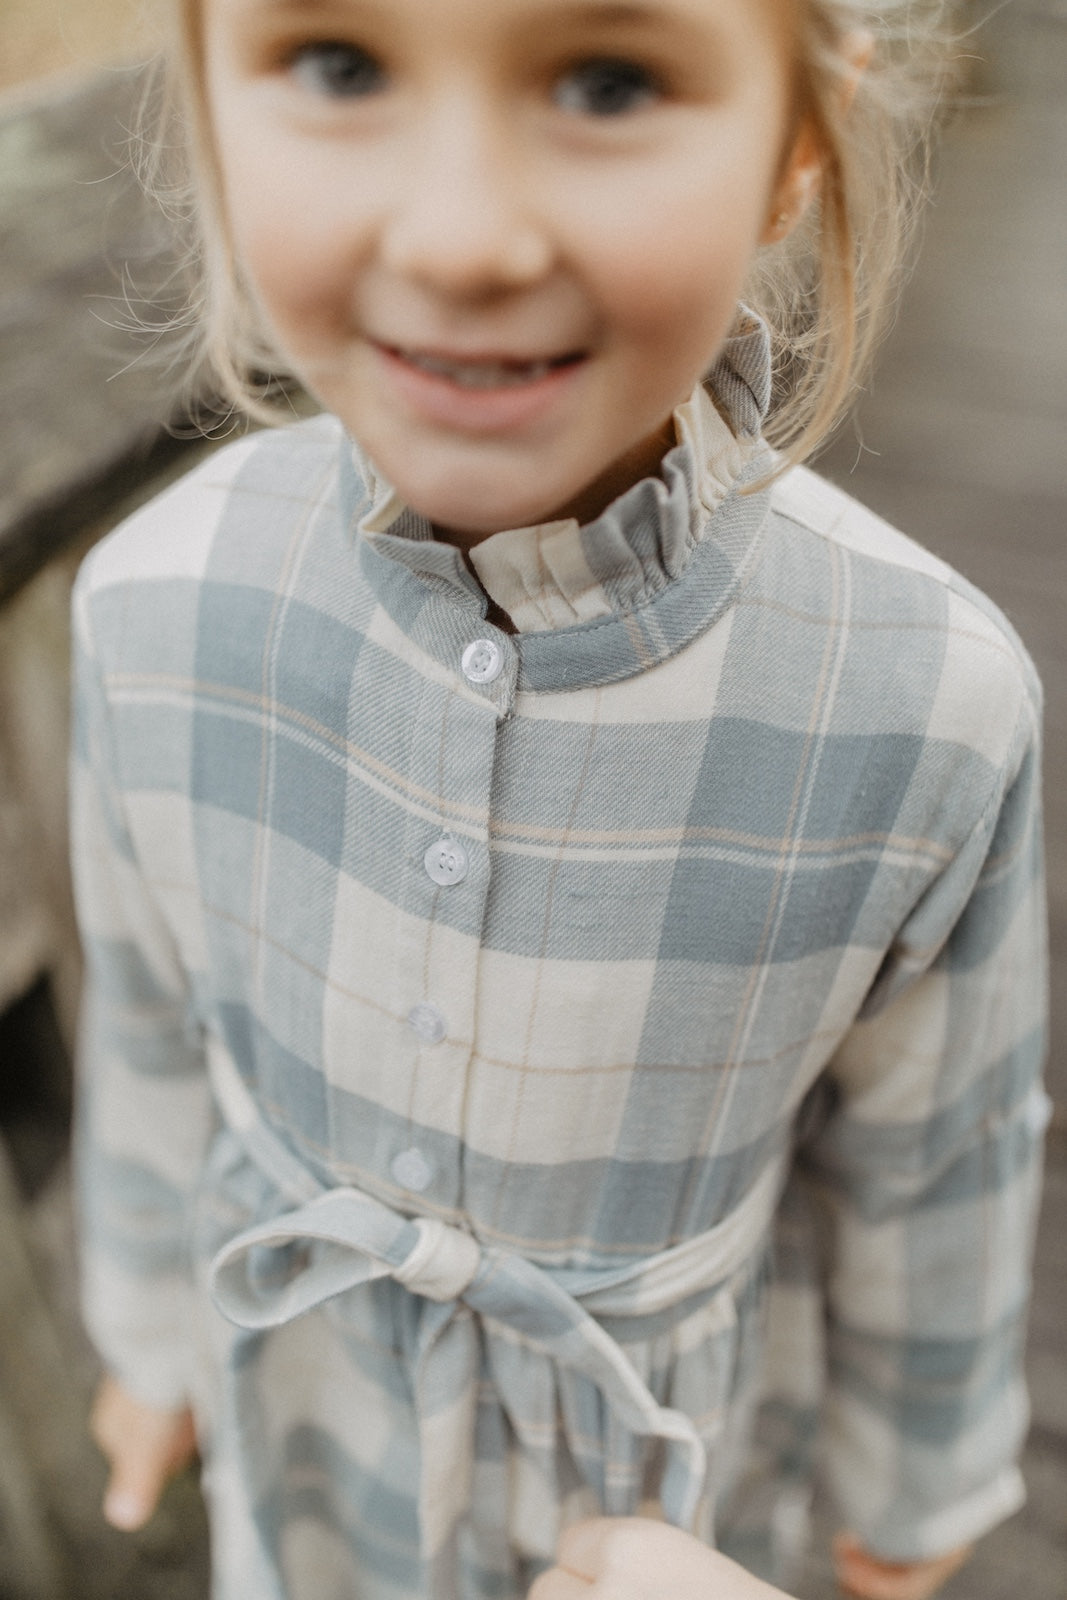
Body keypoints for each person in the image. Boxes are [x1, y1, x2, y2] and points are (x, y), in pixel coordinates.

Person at [70, 0, 1048, 1597]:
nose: (459, 239)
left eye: (608, 79)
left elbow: (940, 1143)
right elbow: (148, 1027)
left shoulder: (925, 698)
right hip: (311, 1425)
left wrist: (917, 1473)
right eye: (339, 65)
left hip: (667, 1483)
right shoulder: (151, 606)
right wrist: (148, 1334)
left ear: (796, 148)